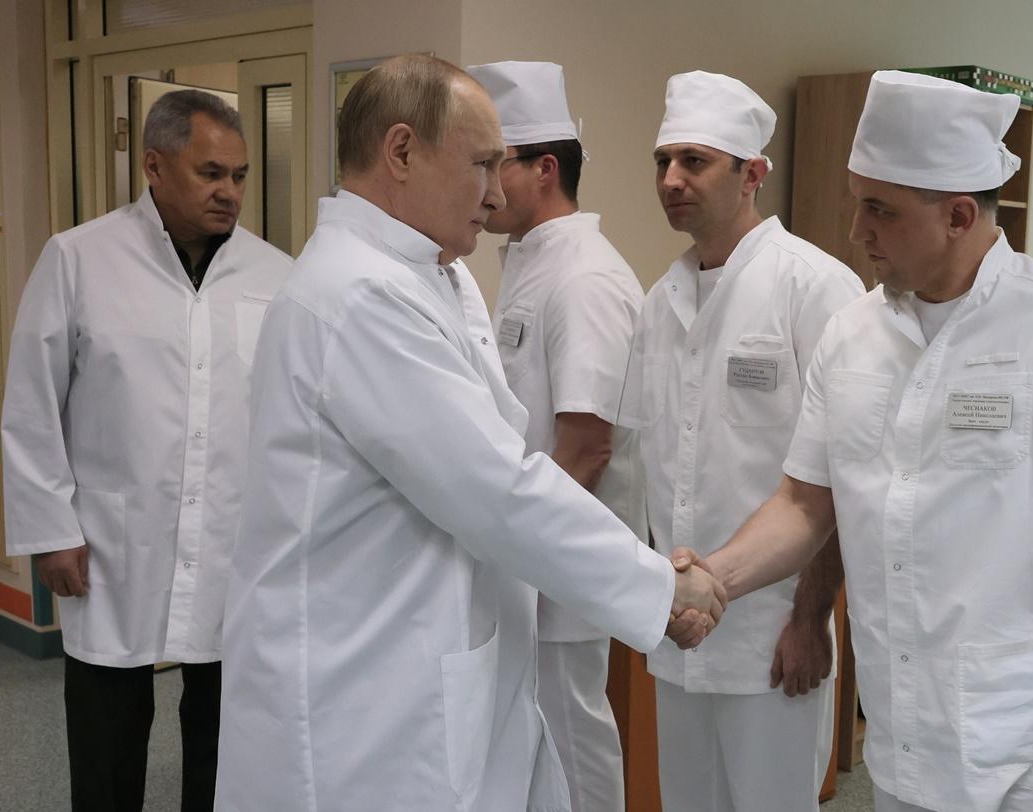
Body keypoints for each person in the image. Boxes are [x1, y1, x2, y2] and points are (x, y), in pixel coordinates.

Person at [213, 54, 724, 812]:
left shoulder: (430, 275)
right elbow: (496, 486)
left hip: (431, 648)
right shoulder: (360, 295)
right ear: (401, 151)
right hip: (364, 688)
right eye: (482, 164)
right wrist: (661, 587)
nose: (496, 192)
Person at [700, 71, 1033, 812]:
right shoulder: (850, 335)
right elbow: (803, 504)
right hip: (900, 738)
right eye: (857, 202)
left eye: (879, 210)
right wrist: (714, 580)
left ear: (958, 215)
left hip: (1027, 748)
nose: (856, 231)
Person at [1, 89, 292, 811]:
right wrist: (50, 530)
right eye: (210, 173)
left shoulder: (276, 275)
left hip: (234, 539)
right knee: (108, 724)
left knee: (225, 732)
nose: (229, 192)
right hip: (112, 538)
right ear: (154, 167)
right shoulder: (79, 258)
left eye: (240, 175)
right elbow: (32, 404)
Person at [620, 71, 864, 812]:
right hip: (679, 634)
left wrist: (811, 619)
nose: (671, 179)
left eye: (694, 161)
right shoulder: (659, 304)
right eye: (663, 161)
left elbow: (840, 481)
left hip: (773, 636)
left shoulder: (815, 288)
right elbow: (649, 468)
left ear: (752, 174)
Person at [465, 59, 642, 812]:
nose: (482, 184)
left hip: (559, 566)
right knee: (534, 745)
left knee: (571, 737)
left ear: (544, 168)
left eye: (493, 163)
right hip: (532, 557)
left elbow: (588, 445)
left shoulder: (584, 277)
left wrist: (525, 549)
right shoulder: (530, 264)